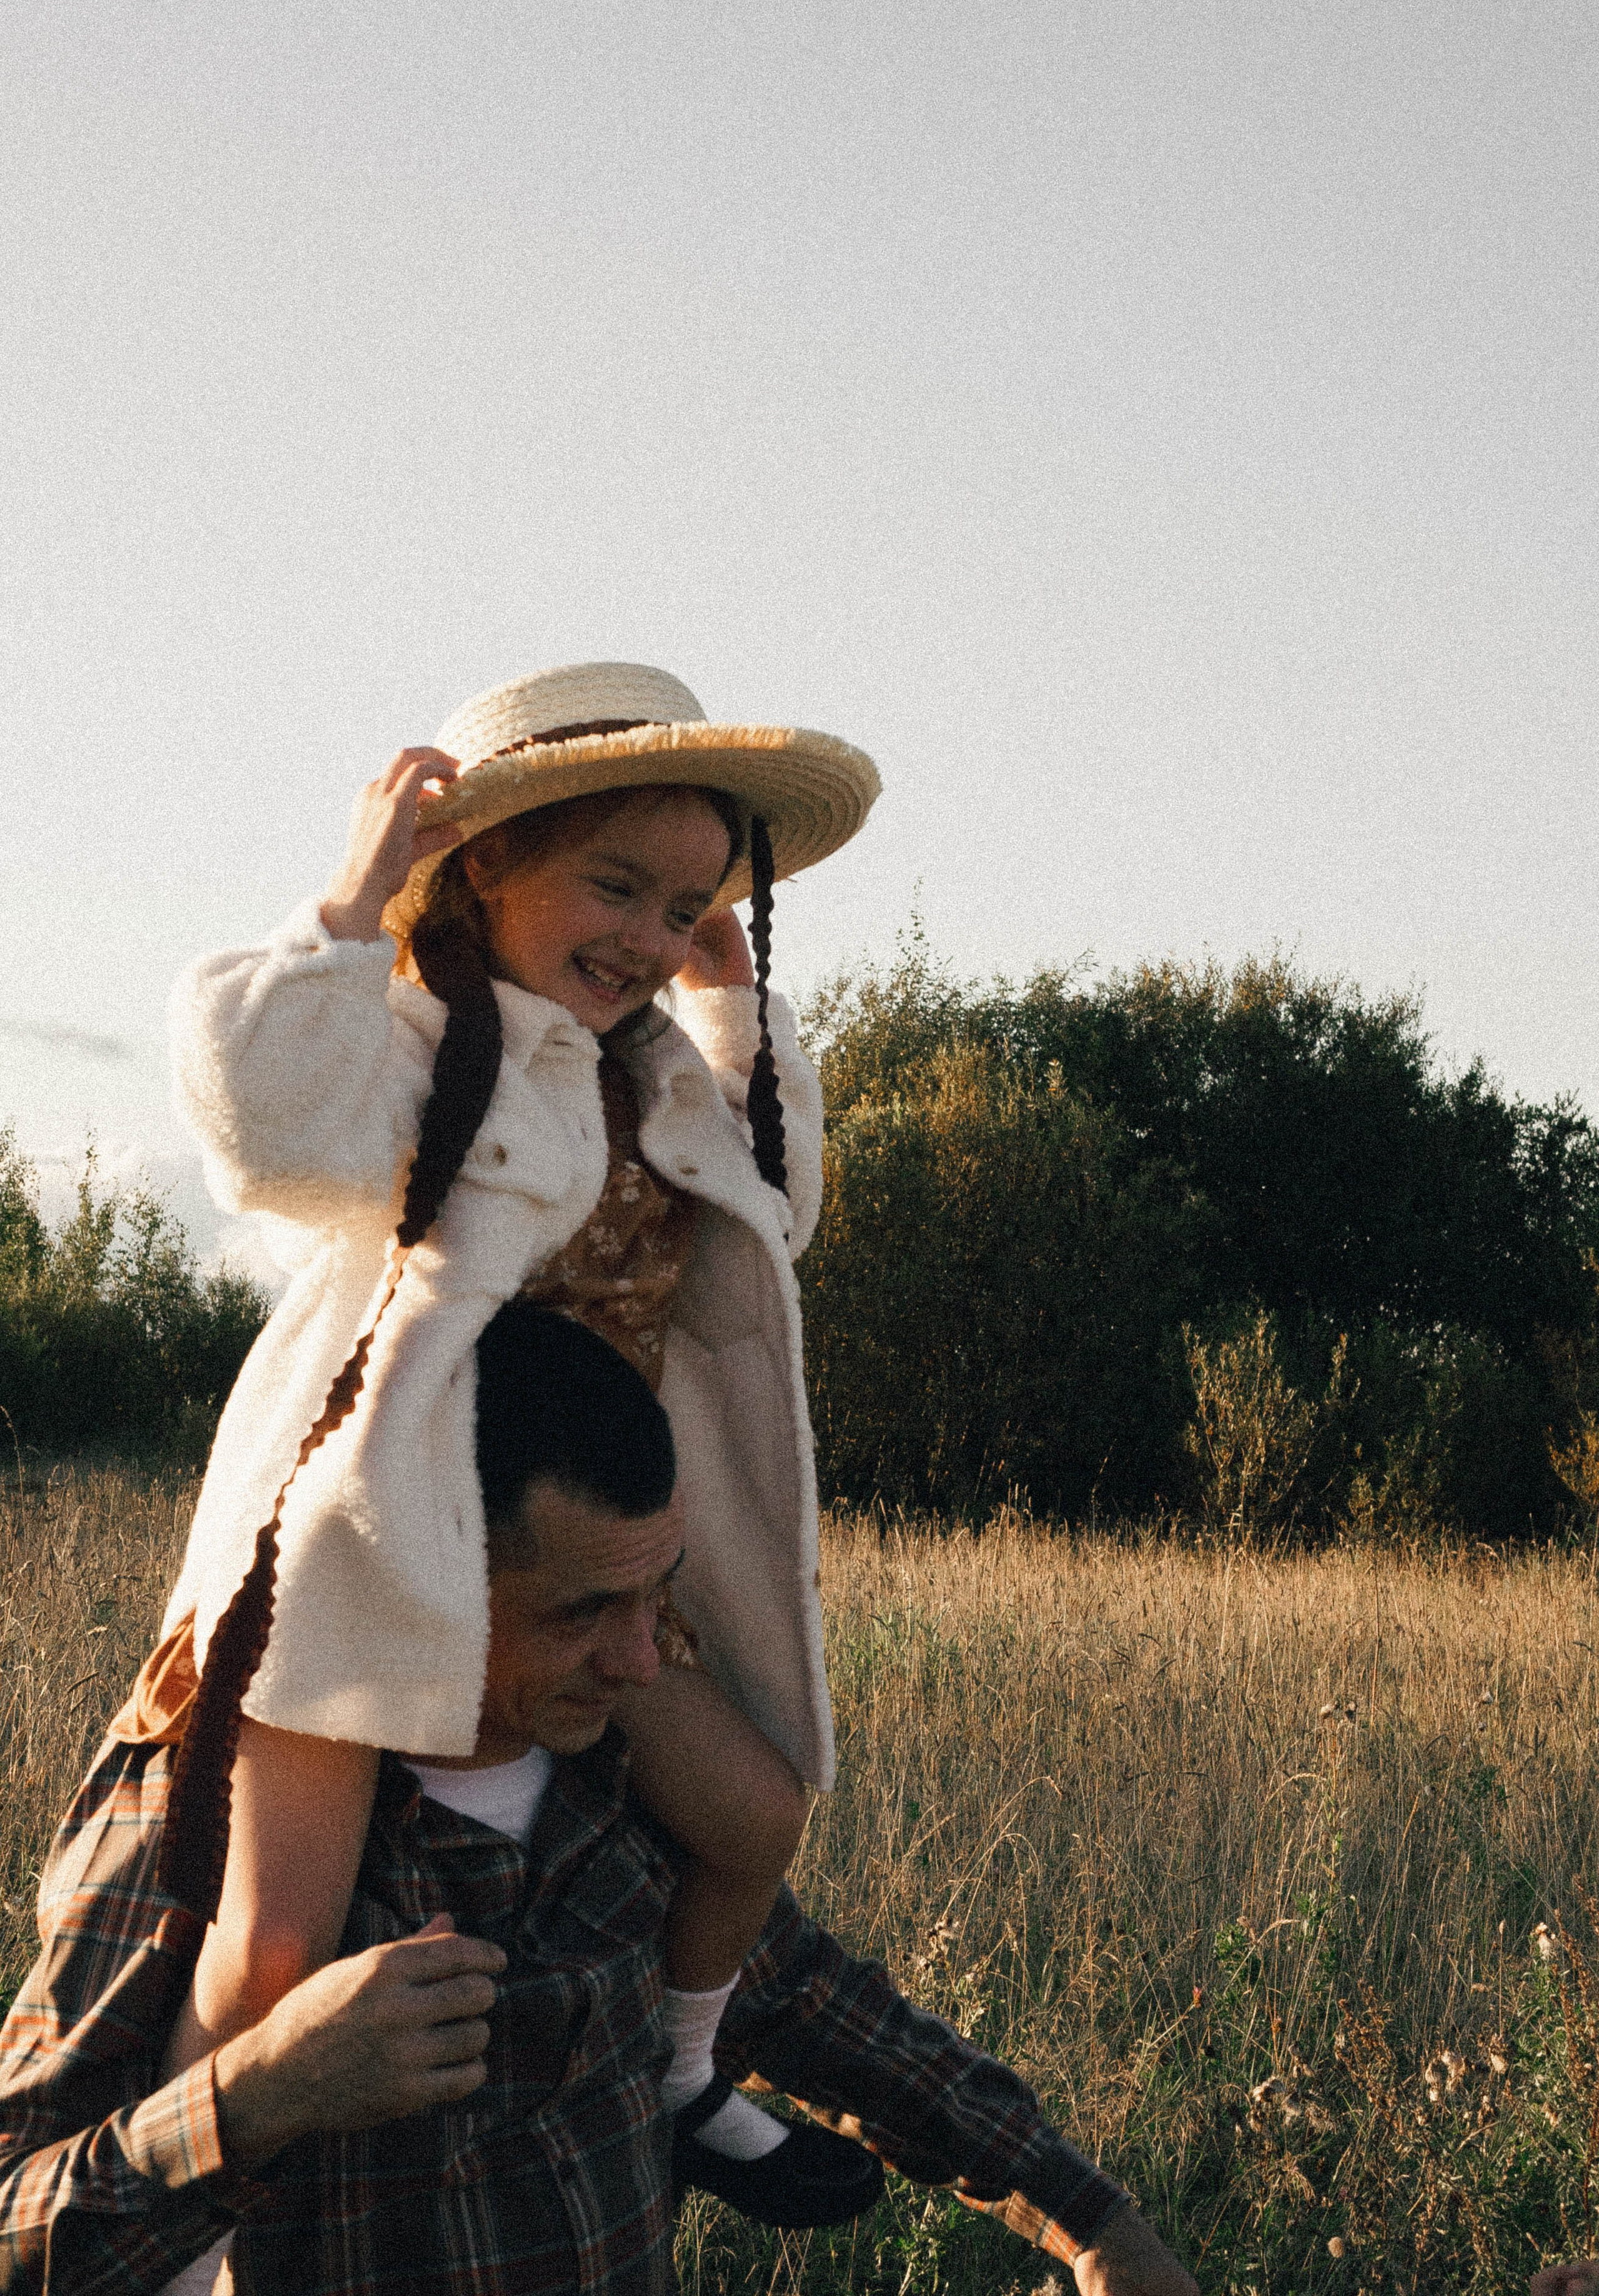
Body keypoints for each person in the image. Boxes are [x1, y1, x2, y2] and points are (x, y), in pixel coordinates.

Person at [0, 1303, 1197, 2296]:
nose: (642, 1661)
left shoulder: (617, 1778)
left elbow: (811, 2004)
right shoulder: (208, 1817)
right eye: (581, 1614)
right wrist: (260, 2095)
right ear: (426, 1587)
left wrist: (1091, 2219)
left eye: (655, 1600)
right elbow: (18, 2233)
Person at [141, 660, 883, 2220]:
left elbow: (779, 1206)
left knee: (754, 1815)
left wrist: (733, 1006)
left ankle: (682, 2071)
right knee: (276, 1937)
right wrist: (349, 905)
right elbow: (261, 1122)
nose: (647, 938)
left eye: (684, 906)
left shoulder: (659, 1075)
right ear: (482, 867)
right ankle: (185, 2203)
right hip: (374, 1540)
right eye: (614, 885)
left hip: (583, 1548)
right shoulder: (425, 1044)